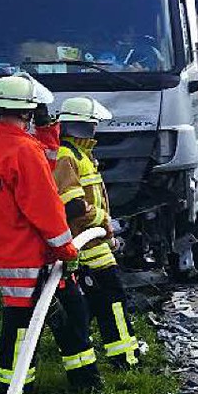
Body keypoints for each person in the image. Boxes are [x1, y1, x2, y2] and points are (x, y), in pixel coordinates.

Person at [0, 74, 102, 394]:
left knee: (55, 314)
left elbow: (41, 162)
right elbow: (45, 207)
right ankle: (25, 393)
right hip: (34, 257)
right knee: (30, 325)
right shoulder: (23, 151)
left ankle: (30, 389)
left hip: (8, 251)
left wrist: (47, 132)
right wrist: (66, 248)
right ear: (29, 111)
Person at [53, 97, 140, 371]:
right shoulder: (68, 156)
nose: (95, 130)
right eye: (93, 125)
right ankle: (124, 359)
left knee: (103, 303)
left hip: (95, 243)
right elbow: (74, 206)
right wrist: (104, 221)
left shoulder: (81, 154)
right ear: (83, 126)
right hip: (87, 245)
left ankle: (118, 356)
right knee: (111, 301)